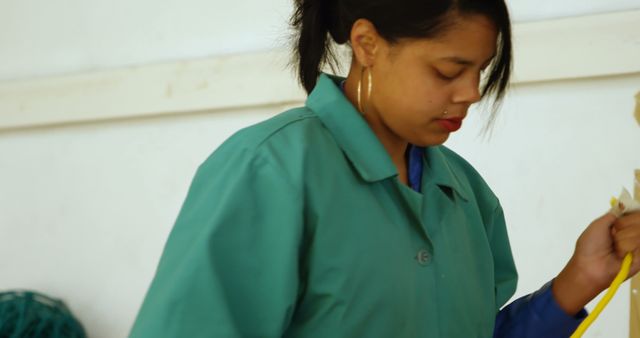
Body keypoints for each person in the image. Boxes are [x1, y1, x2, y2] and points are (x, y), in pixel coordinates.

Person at [129, 0, 640, 337]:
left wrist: (580, 278)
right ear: (368, 44)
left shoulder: (466, 195)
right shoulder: (270, 171)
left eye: (480, 70)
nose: (472, 93)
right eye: (448, 70)